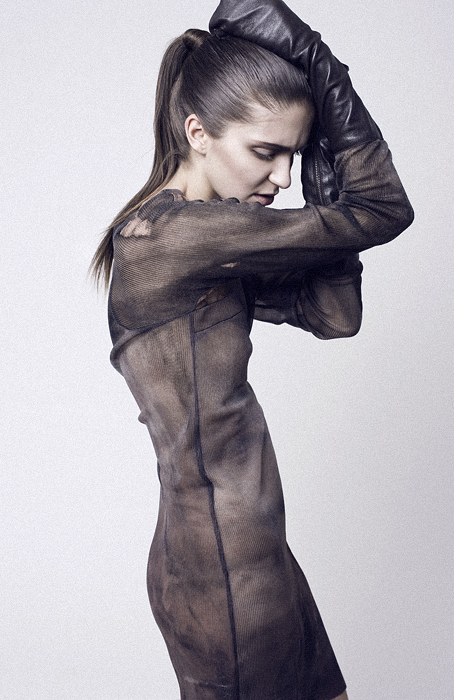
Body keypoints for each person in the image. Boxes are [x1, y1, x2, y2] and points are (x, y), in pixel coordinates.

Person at [91, 1, 414, 698]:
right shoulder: (175, 237)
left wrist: (319, 157)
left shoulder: (206, 239)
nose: (282, 177)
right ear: (198, 133)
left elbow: (336, 315)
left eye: (294, 154)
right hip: (223, 569)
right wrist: (320, 64)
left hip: (256, 552)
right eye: (265, 153)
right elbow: (383, 207)